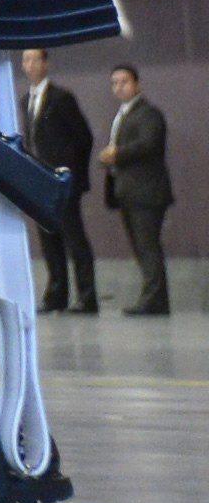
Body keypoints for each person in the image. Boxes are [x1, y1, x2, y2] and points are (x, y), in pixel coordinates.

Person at [25, 52, 101, 316]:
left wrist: (70, 174)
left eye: (35, 60)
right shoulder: (27, 100)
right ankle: (56, 294)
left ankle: (87, 297)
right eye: (26, 60)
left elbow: (84, 137)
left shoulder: (61, 98)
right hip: (40, 183)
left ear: (46, 63)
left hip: (63, 182)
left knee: (74, 239)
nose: (30, 65)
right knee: (49, 241)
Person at [103, 67, 173, 316]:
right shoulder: (124, 113)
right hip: (130, 193)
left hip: (147, 193)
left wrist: (117, 153)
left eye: (124, 81)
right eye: (115, 82)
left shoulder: (148, 113)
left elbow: (149, 143)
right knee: (142, 247)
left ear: (137, 84)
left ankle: (155, 300)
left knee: (148, 246)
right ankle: (152, 298)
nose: (119, 87)